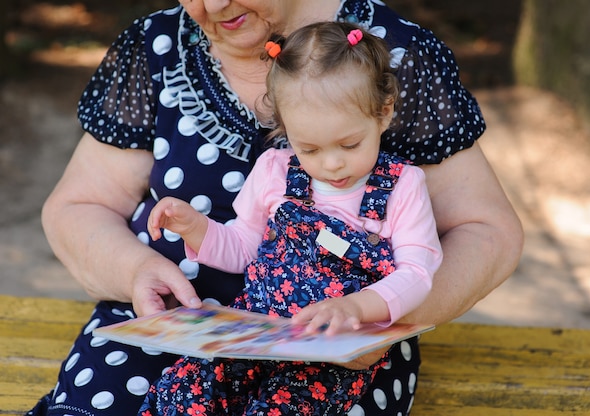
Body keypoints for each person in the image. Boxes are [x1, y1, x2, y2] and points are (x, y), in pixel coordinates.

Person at [30, 1, 523, 415]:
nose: (215, 5)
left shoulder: (392, 56)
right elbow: (78, 205)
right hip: (181, 328)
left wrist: (373, 322)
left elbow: (487, 230)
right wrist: (137, 266)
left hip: (343, 350)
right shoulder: (155, 46)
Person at [139, 21, 442, 415]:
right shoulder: (274, 172)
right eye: (310, 148)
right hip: (255, 331)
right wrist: (196, 227)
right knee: (185, 392)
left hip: (333, 352)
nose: (332, 164)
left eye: (350, 144)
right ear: (286, 129)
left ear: (383, 113)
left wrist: (357, 307)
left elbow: (418, 272)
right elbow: (245, 247)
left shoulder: (401, 186)